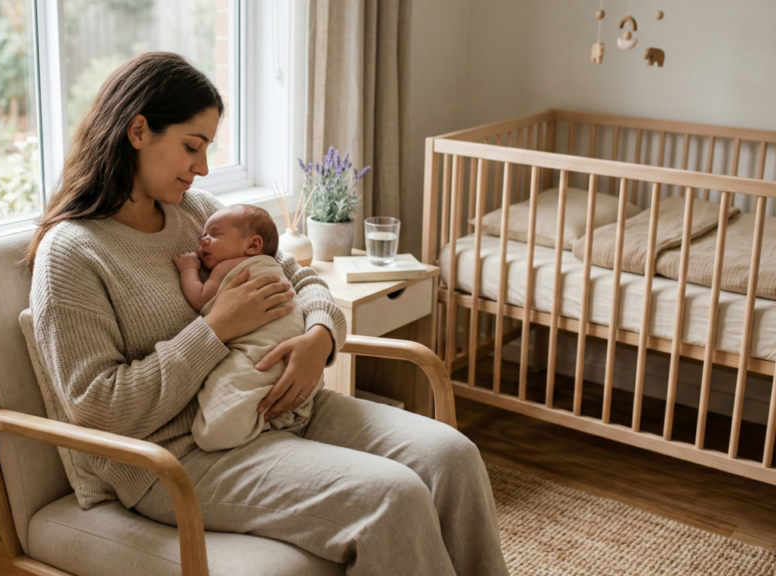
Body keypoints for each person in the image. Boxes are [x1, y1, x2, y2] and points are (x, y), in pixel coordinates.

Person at [27, 51, 509, 575]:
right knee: (389, 498)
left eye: (208, 148)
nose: (203, 167)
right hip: (180, 455)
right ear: (138, 130)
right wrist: (215, 329)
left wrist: (320, 338)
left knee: (451, 456)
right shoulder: (72, 253)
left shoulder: (200, 213)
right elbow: (97, 407)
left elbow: (300, 278)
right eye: (192, 146)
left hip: (281, 407)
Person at [174, 204, 318, 452]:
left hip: (267, 343)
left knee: (220, 418)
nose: (203, 241)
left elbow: (199, 298)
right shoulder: (271, 264)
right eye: (203, 236)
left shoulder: (229, 266)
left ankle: (244, 423)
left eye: (214, 235)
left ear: (253, 246)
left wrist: (189, 269)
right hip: (289, 341)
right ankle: (273, 419)